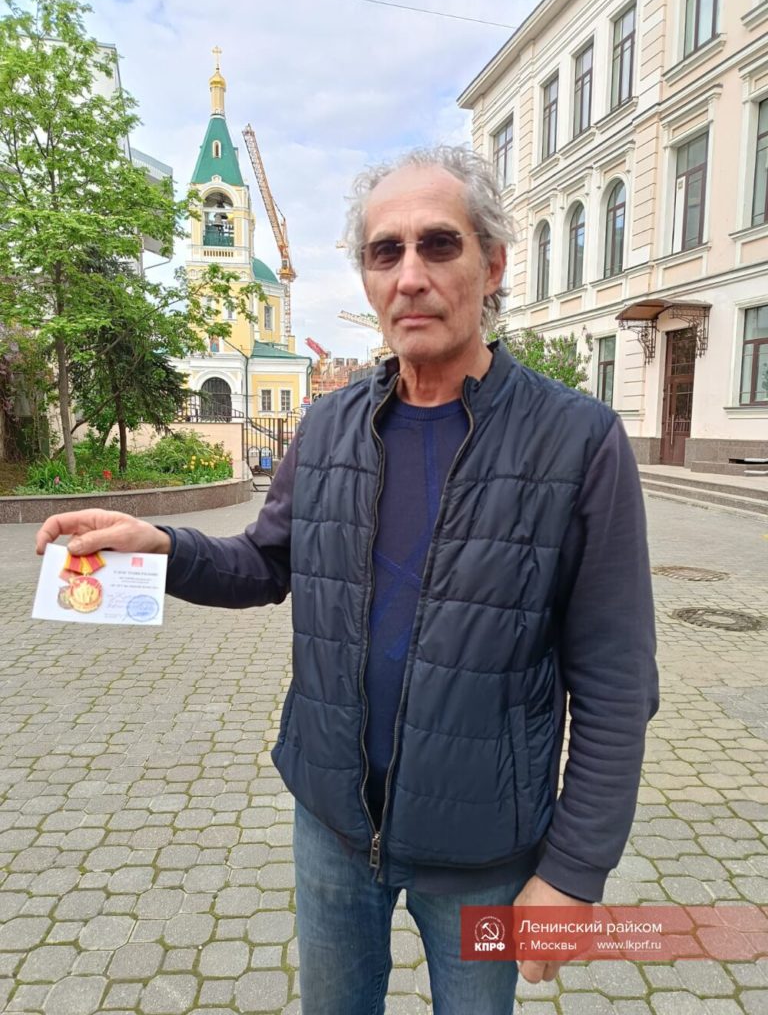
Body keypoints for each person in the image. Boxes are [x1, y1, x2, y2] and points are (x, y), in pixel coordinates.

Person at [37, 145, 658, 1015]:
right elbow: (267, 562)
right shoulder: (329, 425)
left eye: (438, 245)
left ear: (492, 266)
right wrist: (163, 545)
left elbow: (616, 678)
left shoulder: (578, 440)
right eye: (384, 252)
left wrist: (574, 872)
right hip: (332, 823)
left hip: (485, 844)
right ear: (367, 277)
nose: (410, 276)